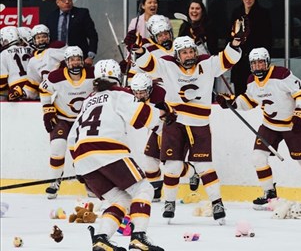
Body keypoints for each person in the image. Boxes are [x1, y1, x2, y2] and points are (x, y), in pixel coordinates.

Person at [128, 33, 245, 224]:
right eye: (184, 53)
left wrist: (235, 42)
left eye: (191, 51)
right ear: (177, 55)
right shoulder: (167, 65)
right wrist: (139, 50)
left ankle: (217, 202)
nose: (189, 55)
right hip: (174, 122)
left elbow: (228, 59)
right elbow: (148, 65)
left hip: (200, 124)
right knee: (172, 166)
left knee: (204, 166)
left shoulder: (207, 64)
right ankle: (169, 202)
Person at [67, 59, 167, 251]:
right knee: (144, 189)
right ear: (118, 77)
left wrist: (81, 168)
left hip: (81, 159)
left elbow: (72, 138)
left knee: (121, 200)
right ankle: (138, 237)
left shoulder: (88, 101)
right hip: (108, 150)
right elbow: (142, 118)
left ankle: (101, 239)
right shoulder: (118, 94)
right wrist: (163, 115)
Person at [216, 47, 301, 208]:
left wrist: (300, 112)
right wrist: (231, 102)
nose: (258, 67)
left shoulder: (281, 74)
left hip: (292, 125)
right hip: (269, 125)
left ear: (267, 62)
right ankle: (269, 193)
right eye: (254, 64)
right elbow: (249, 101)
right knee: (257, 158)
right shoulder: (251, 81)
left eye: (261, 63)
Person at [129, 72, 200, 202]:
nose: (139, 96)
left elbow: (172, 114)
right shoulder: (133, 96)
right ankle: (155, 191)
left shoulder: (161, 95)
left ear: (149, 89)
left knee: (170, 165)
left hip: (173, 130)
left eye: (142, 92)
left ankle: (192, 172)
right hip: (158, 130)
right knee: (150, 161)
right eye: (136, 92)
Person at [39, 46, 94, 199]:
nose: (75, 63)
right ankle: (54, 181)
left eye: (78, 59)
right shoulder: (56, 76)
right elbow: (44, 90)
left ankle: (90, 184)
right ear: (66, 62)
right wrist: (47, 110)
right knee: (57, 147)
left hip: (84, 120)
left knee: (85, 153)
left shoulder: (92, 74)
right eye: (72, 60)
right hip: (62, 118)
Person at [229, 0, 272, 96]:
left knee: (257, 93)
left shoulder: (263, 13)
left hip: (257, 61)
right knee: (240, 93)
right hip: (239, 61)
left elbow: (268, 38)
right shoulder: (236, 13)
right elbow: (230, 35)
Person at [44, 0, 98, 65]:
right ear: (57, 2)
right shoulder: (51, 17)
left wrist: (90, 56)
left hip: (77, 58)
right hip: (56, 58)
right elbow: (47, 38)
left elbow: (93, 36)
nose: (67, 2)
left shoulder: (82, 14)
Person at [23, 24, 66, 100]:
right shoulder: (33, 60)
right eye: (38, 37)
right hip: (47, 94)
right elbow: (33, 82)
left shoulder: (57, 47)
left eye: (44, 36)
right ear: (33, 40)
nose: (41, 39)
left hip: (64, 89)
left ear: (48, 37)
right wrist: (23, 93)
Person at [0, 26, 33, 101]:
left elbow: (2, 81)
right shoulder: (31, 49)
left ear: (6, 39)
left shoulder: (4, 54)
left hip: (16, 88)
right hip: (33, 86)